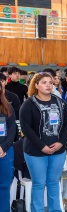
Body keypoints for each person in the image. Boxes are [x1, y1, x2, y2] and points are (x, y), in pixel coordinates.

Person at [20, 73, 67, 211]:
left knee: (54, 183)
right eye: (44, 82)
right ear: (36, 85)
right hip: (36, 151)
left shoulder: (60, 102)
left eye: (50, 82)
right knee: (39, 183)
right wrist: (42, 146)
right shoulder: (28, 104)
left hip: (58, 151)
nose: (48, 85)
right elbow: (26, 129)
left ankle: (55, 209)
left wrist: (61, 143)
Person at [0, 82, 16, 212]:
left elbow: (12, 130)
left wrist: (4, 147)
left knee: (4, 187)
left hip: (5, 152)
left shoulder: (7, 107)